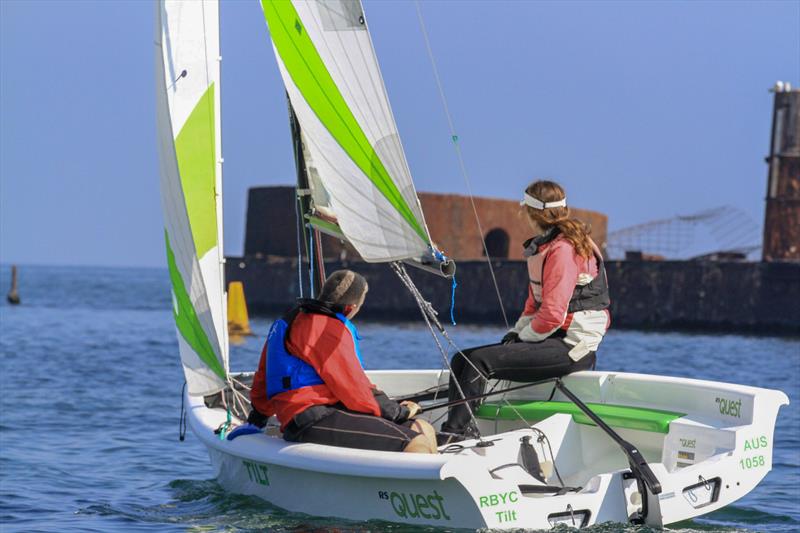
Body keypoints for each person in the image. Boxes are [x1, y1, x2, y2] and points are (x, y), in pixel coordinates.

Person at [440, 180, 611, 440]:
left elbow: (553, 314)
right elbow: (534, 305)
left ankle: (454, 435)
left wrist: (524, 338)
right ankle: (464, 428)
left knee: (478, 362)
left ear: (530, 213)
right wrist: (515, 332)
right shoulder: (544, 247)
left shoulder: (563, 249)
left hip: (572, 347)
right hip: (550, 339)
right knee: (461, 359)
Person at [248, 270, 438, 454]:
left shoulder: (286, 322)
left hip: (326, 413)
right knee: (417, 443)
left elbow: (263, 377)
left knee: (423, 427)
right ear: (351, 308)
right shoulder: (326, 329)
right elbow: (354, 389)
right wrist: (398, 412)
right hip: (311, 418)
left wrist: (257, 418)